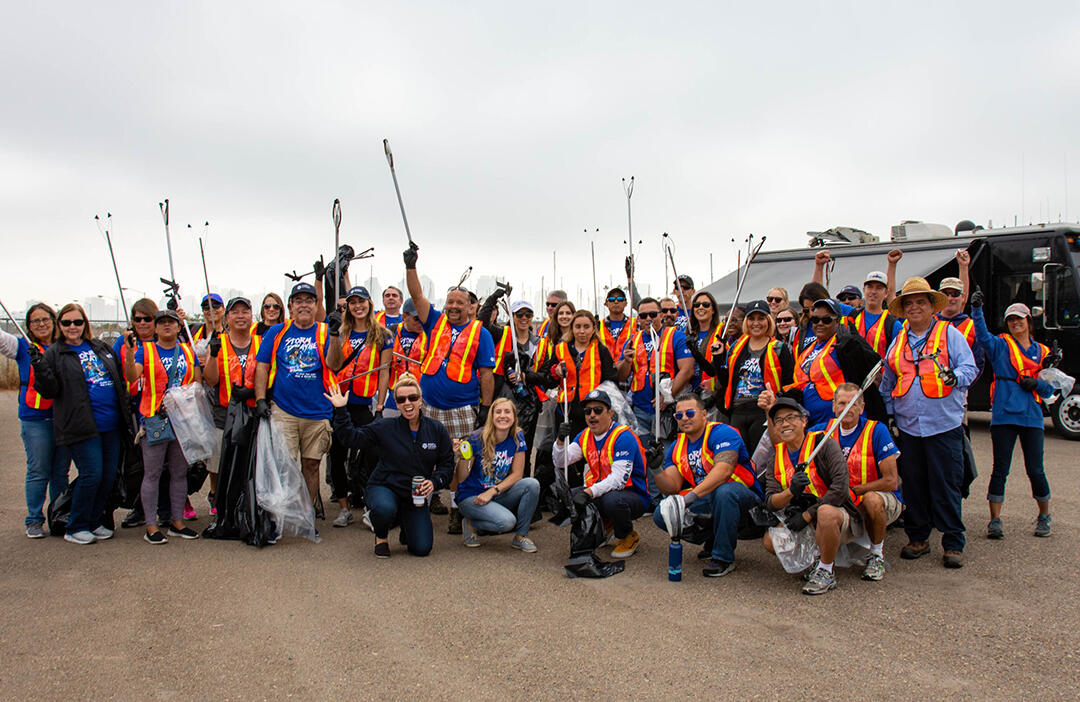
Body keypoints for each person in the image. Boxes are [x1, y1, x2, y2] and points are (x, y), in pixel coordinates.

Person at [881, 277, 978, 568]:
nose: (914, 307)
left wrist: (955, 377)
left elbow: (970, 367)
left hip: (943, 426)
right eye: (908, 303)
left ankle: (952, 542)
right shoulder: (898, 342)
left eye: (920, 302)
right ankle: (918, 538)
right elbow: (888, 382)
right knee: (914, 485)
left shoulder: (950, 335)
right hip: (909, 428)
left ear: (931, 306)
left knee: (946, 484)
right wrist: (888, 413)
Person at [403, 243, 495, 533]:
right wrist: (411, 265)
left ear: (470, 306)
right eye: (450, 302)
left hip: (462, 408)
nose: (454, 306)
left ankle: (457, 509)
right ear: (445, 305)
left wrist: (485, 407)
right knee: (425, 456)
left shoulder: (481, 333)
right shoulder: (434, 322)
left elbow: (486, 373)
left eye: (460, 303)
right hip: (429, 405)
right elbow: (417, 295)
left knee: (462, 460)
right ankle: (423, 506)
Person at [32, 304, 130, 544]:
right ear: (60, 326)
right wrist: (40, 368)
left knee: (108, 476)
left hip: (111, 424)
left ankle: (94, 520)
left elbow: (118, 377)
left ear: (85, 324)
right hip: (82, 425)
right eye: (66, 323)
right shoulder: (54, 353)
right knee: (91, 474)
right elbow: (49, 391)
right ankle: (76, 525)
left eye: (77, 322)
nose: (72, 327)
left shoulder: (100, 347)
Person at [327, 374, 454, 558]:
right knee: (384, 508)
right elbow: (351, 438)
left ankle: (407, 525)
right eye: (401, 399)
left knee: (421, 548)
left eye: (413, 398)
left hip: (414, 495)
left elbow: (447, 465)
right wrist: (340, 410)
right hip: (384, 486)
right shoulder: (385, 426)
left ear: (420, 400)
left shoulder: (436, 429)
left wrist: (435, 482)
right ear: (396, 403)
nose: (407, 403)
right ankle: (381, 536)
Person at [254, 281, 344, 516]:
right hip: (284, 409)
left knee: (312, 465)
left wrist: (335, 334)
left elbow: (335, 365)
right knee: (284, 465)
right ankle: (280, 515)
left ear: (316, 305)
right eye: (299, 301)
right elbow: (262, 367)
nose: (304, 305)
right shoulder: (277, 331)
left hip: (318, 411)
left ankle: (306, 513)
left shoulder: (325, 331)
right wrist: (261, 398)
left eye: (309, 300)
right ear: (291, 306)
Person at [971, 292, 1055, 538]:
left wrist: (1036, 385)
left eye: (1019, 319)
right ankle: (995, 521)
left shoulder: (1043, 351)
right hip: (1004, 416)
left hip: (1031, 416)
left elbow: (1050, 389)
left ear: (1029, 321)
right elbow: (982, 336)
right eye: (1010, 320)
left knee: (1036, 470)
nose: (1015, 323)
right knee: (1000, 470)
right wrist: (977, 310)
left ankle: (1044, 516)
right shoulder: (1000, 345)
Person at [760, 398, 862, 596]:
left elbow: (841, 489)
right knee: (770, 541)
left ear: (804, 421)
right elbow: (771, 501)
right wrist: (791, 491)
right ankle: (814, 563)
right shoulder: (776, 455)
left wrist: (808, 515)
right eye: (779, 421)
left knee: (825, 513)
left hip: (836, 512)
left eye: (791, 417)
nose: (785, 424)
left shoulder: (823, 444)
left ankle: (826, 571)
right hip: (801, 514)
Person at [652, 394, 762, 577]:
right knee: (662, 513)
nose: (684, 418)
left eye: (689, 413)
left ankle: (723, 558)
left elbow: (724, 471)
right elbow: (671, 487)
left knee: (724, 492)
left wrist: (689, 499)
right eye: (679, 416)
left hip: (744, 499)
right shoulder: (677, 446)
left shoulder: (722, 433)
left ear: (704, 414)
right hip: (708, 497)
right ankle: (713, 538)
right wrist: (656, 469)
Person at [124, 309, 204, 544]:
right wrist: (130, 354)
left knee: (179, 473)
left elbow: (196, 384)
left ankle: (177, 521)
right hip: (155, 418)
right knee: (153, 473)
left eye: (172, 322)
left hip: (182, 420)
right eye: (162, 323)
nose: (167, 326)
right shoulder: (145, 350)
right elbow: (131, 376)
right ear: (156, 328)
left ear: (179, 327)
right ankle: (151, 525)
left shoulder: (188, 351)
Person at [809, 383, 902, 581]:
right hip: (842, 502)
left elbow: (891, 481)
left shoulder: (877, 430)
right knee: (819, 509)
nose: (846, 409)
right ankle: (824, 563)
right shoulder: (820, 432)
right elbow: (787, 443)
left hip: (873, 499)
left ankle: (876, 555)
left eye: (852, 404)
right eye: (842, 403)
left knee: (872, 500)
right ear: (833, 406)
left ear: (861, 407)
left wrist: (854, 490)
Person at [0, 303, 70, 538]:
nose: (41, 324)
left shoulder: (65, 347)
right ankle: (34, 520)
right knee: (38, 470)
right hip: (35, 418)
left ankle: (58, 516)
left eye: (45, 319)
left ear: (54, 321)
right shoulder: (22, 347)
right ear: (28, 326)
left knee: (60, 472)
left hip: (62, 417)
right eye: (35, 321)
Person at [553, 389, 649, 559]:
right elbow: (561, 462)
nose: (592, 415)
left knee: (611, 500)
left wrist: (588, 492)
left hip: (633, 495)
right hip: (602, 491)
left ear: (610, 413)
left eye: (598, 410)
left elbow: (618, 480)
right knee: (569, 498)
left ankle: (627, 535)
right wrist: (560, 441)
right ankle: (606, 523)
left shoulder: (623, 436)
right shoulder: (585, 435)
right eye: (587, 411)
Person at [328, 286, 391, 526]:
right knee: (336, 455)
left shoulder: (383, 335)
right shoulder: (341, 332)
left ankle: (368, 502)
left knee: (372, 454)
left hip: (365, 404)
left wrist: (380, 406)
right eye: (352, 302)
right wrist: (334, 336)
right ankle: (344, 508)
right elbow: (333, 365)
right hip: (339, 402)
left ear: (369, 303)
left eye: (361, 301)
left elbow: (384, 372)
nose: (357, 306)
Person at [695, 300, 795, 451]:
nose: (756, 323)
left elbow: (789, 382)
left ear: (768, 320)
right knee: (740, 460)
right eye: (751, 318)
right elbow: (725, 380)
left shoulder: (779, 348)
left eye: (761, 318)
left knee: (761, 460)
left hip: (763, 411)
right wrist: (718, 357)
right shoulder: (736, 347)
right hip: (738, 411)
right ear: (746, 322)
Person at [454, 397, 540, 551]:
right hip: (471, 497)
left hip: (495, 493)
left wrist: (492, 491)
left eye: (507, 412)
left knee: (532, 484)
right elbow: (461, 478)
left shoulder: (517, 437)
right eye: (498, 412)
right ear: (491, 416)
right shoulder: (477, 437)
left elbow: (517, 475)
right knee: (507, 522)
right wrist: (462, 457)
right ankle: (470, 523)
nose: (503, 416)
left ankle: (521, 536)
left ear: (514, 417)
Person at [202, 297, 259, 515]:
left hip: (252, 412)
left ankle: (244, 503)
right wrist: (213, 355)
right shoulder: (218, 343)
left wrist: (255, 393)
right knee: (218, 463)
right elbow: (211, 380)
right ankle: (217, 499)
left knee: (247, 463)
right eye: (235, 312)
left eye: (245, 311)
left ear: (251, 316)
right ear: (227, 318)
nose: (241, 316)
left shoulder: (260, 342)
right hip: (224, 413)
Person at [787, 298, 884, 426]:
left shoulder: (844, 340)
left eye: (826, 320)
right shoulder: (808, 348)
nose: (820, 323)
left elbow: (872, 364)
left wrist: (852, 346)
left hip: (842, 419)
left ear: (837, 321)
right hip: (812, 421)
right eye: (815, 320)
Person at [617, 297, 693, 446]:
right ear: (638, 318)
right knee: (646, 456)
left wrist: (667, 395)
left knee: (665, 455)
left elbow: (687, 370)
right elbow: (621, 375)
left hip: (667, 409)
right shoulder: (633, 340)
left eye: (653, 314)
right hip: (640, 409)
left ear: (661, 315)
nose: (648, 319)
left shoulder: (676, 336)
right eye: (643, 316)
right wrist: (626, 361)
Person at [812, 250, 902, 357]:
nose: (873, 291)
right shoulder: (851, 314)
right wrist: (819, 266)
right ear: (864, 290)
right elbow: (819, 296)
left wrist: (892, 264)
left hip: (878, 373)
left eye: (879, 288)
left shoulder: (892, 324)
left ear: (886, 293)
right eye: (870, 287)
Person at [383, 299, 427, 418]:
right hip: (394, 396)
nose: (421, 323)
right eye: (416, 319)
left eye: (424, 318)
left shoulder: (431, 335)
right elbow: (383, 368)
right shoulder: (391, 333)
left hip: (421, 396)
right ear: (404, 317)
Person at [685, 291, 722, 397]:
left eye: (705, 305)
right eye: (696, 305)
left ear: (713, 309)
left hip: (711, 392)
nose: (700, 307)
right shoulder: (689, 333)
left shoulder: (721, 333)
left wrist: (716, 386)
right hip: (690, 391)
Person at [599, 287, 637, 365]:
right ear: (606, 303)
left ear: (626, 303)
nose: (616, 302)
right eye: (612, 299)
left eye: (620, 299)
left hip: (628, 370)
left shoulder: (636, 324)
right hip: (605, 372)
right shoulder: (597, 325)